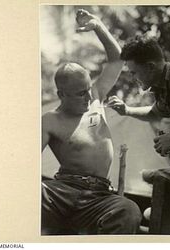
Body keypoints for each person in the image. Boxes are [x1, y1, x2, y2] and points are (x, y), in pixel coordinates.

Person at [41, 10, 142, 235]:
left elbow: (117, 58)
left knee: (129, 210)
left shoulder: (96, 96)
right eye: (79, 93)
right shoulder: (49, 120)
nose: (87, 97)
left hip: (99, 196)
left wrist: (97, 26)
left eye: (87, 90)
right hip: (62, 192)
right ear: (62, 94)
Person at [108, 35, 170, 234]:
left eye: (134, 72)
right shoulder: (164, 86)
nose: (134, 78)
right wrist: (127, 110)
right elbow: (153, 113)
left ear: (150, 66)